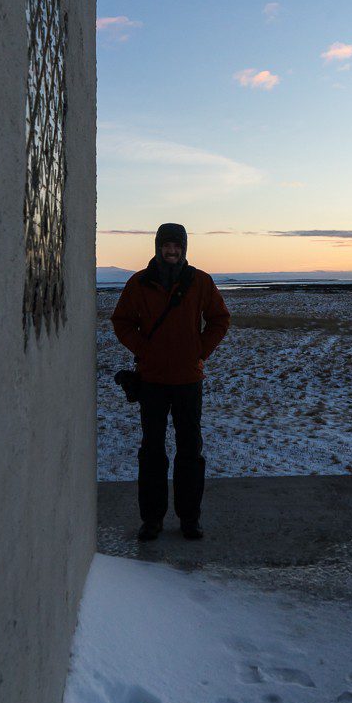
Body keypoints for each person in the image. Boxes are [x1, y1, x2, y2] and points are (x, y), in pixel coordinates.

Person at [111, 223, 231, 541]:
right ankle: (152, 520)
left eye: (176, 246)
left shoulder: (200, 282)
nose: (171, 251)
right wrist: (144, 349)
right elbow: (121, 321)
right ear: (157, 247)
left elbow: (220, 319)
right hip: (152, 381)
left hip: (188, 381)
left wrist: (200, 351)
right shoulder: (140, 283)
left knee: (190, 450)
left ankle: (189, 518)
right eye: (166, 246)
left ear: (185, 248)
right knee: (152, 451)